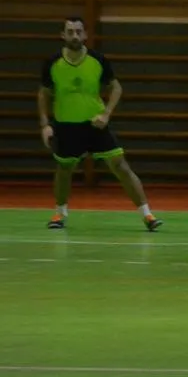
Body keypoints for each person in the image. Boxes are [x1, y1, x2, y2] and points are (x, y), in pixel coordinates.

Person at [38, 17, 162, 231]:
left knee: (121, 166)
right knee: (64, 169)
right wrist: (45, 124)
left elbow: (116, 88)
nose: (75, 36)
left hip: (95, 126)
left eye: (78, 31)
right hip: (66, 126)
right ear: (63, 35)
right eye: (70, 32)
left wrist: (106, 114)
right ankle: (59, 214)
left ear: (85, 34)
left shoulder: (97, 60)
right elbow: (44, 93)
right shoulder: (52, 62)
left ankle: (147, 215)